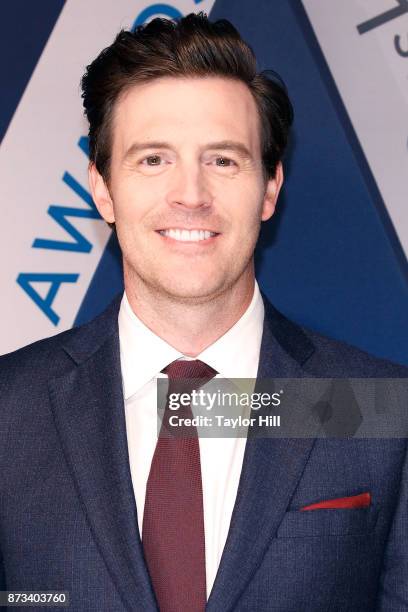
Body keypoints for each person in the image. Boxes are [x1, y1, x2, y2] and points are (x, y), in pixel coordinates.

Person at [0, 12, 407, 612]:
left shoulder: (379, 409)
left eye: (222, 159)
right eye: (152, 159)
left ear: (269, 188)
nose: (190, 194)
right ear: (102, 189)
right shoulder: (10, 411)